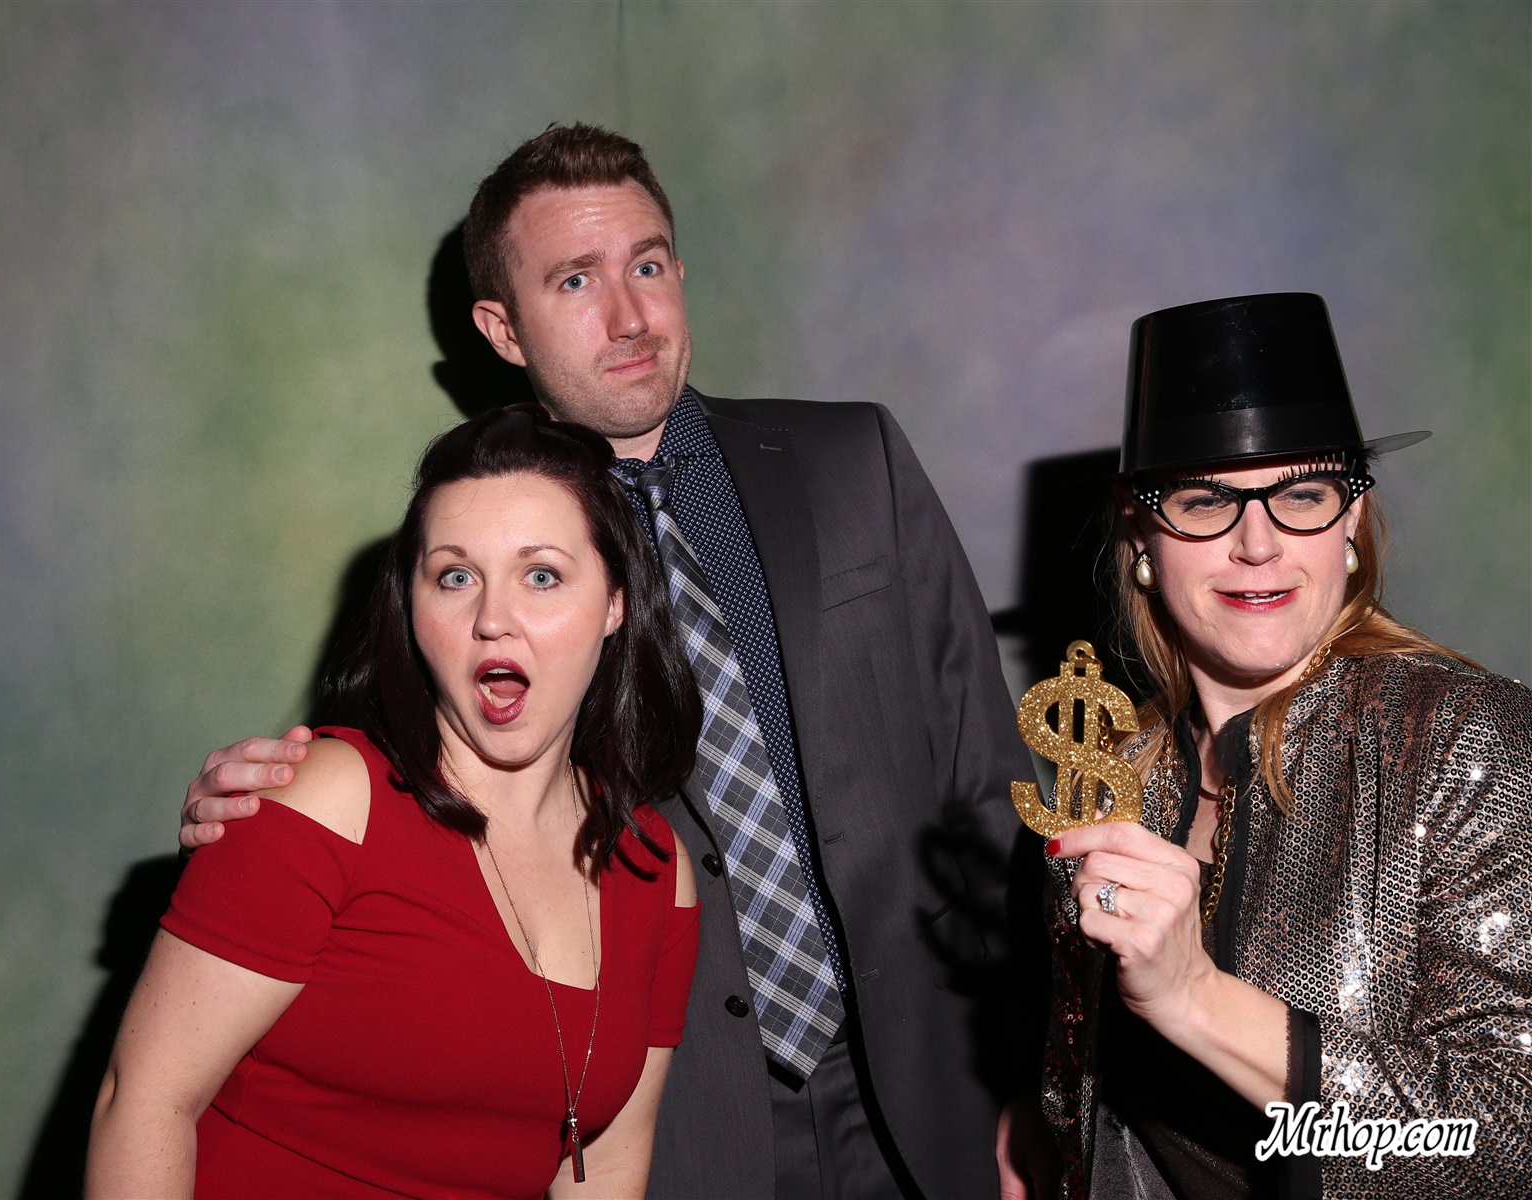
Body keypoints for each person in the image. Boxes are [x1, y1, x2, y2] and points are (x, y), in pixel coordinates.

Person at [179, 124, 1037, 1197]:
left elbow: (988, 780)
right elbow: (397, 809)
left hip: (936, 1088)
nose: (630, 317)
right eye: (576, 280)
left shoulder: (853, 461)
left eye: (648, 265)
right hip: (669, 1129)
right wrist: (254, 805)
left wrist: (1035, 1073)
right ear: (503, 328)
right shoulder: (464, 561)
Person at [88, 405, 705, 1197]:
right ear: (412, 609)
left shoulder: (655, 870)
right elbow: (143, 1101)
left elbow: (605, 1168)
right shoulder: (329, 800)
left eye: (541, 576)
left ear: (615, 602)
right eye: (455, 577)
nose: (492, 620)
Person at [1000, 292, 1532, 1199]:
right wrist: (1038, 1129)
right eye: (1206, 501)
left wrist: (1194, 997)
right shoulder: (1110, 779)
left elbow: (1510, 1140)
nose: (1259, 545)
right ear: (1141, 527)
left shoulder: (1468, 741)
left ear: (1351, 519)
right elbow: (1079, 1077)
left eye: (1303, 495)